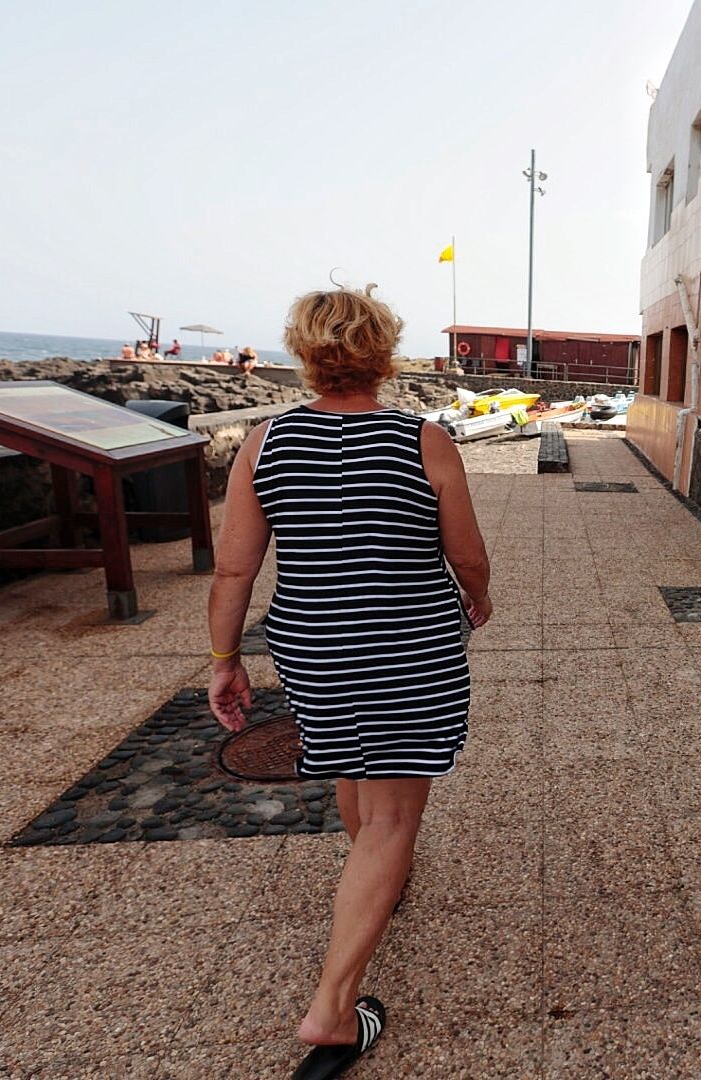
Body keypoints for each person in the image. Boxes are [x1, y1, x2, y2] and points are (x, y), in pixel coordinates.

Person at [207, 283, 491, 1080]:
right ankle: (335, 1008)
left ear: (305, 354)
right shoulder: (423, 439)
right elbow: (464, 552)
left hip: (315, 649)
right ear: (384, 354)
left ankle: (376, 881)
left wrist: (225, 662)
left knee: (350, 761)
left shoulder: (263, 444)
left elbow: (234, 567)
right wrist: (479, 594)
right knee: (395, 816)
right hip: (410, 647)